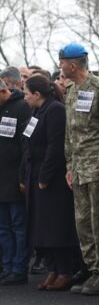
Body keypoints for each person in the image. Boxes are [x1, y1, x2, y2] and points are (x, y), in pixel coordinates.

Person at [60, 43, 99, 295]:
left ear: (73, 64)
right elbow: (69, 133)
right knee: (83, 223)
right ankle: (94, 270)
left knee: (98, 222)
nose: (59, 66)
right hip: (79, 168)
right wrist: (70, 165)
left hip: (97, 168)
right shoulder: (71, 89)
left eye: (61, 61)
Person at [22, 75, 78, 291]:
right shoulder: (36, 111)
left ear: (37, 94)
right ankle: (52, 269)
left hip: (52, 179)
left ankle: (65, 270)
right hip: (34, 174)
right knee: (41, 228)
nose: (25, 97)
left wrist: (44, 177)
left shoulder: (55, 110)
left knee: (55, 227)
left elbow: (55, 147)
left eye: (27, 93)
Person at [0, 79, 31, 285]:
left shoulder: (22, 107)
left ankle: (19, 269)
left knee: (19, 226)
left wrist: (23, 176)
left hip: (15, 178)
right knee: (3, 228)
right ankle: (7, 266)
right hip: (1, 179)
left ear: (3, 91)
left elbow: (26, 144)